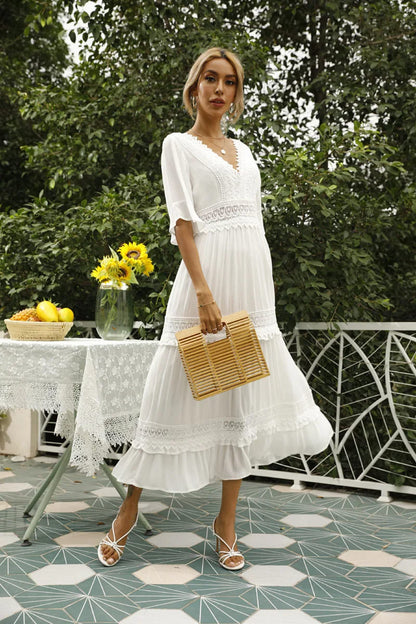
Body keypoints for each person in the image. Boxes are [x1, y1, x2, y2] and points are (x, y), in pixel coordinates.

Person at [98, 47, 333, 570]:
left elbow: (253, 224)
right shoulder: (177, 146)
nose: (219, 89)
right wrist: (203, 290)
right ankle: (129, 509)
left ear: (237, 93)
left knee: (237, 402)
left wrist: (261, 292)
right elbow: (183, 222)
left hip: (250, 282)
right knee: (166, 395)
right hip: (205, 281)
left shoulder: (245, 151)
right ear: (194, 87)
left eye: (229, 82)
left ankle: (225, 522)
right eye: (210, 79)